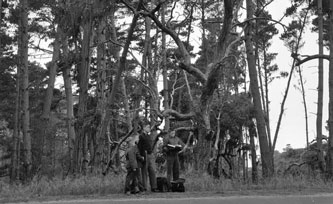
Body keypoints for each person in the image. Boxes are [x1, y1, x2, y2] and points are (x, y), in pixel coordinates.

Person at [137, 122, 158, 192]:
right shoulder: (141, 136)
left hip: (150, 154)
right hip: (144, 155)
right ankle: (144, 187)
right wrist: (141, 156)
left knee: (152, 171)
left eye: (149, 127)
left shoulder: (149, 136)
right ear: (144, 128)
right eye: (148, 127)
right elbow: (139, 147)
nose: (149, 129)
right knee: (144, 172)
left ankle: (154, 187)